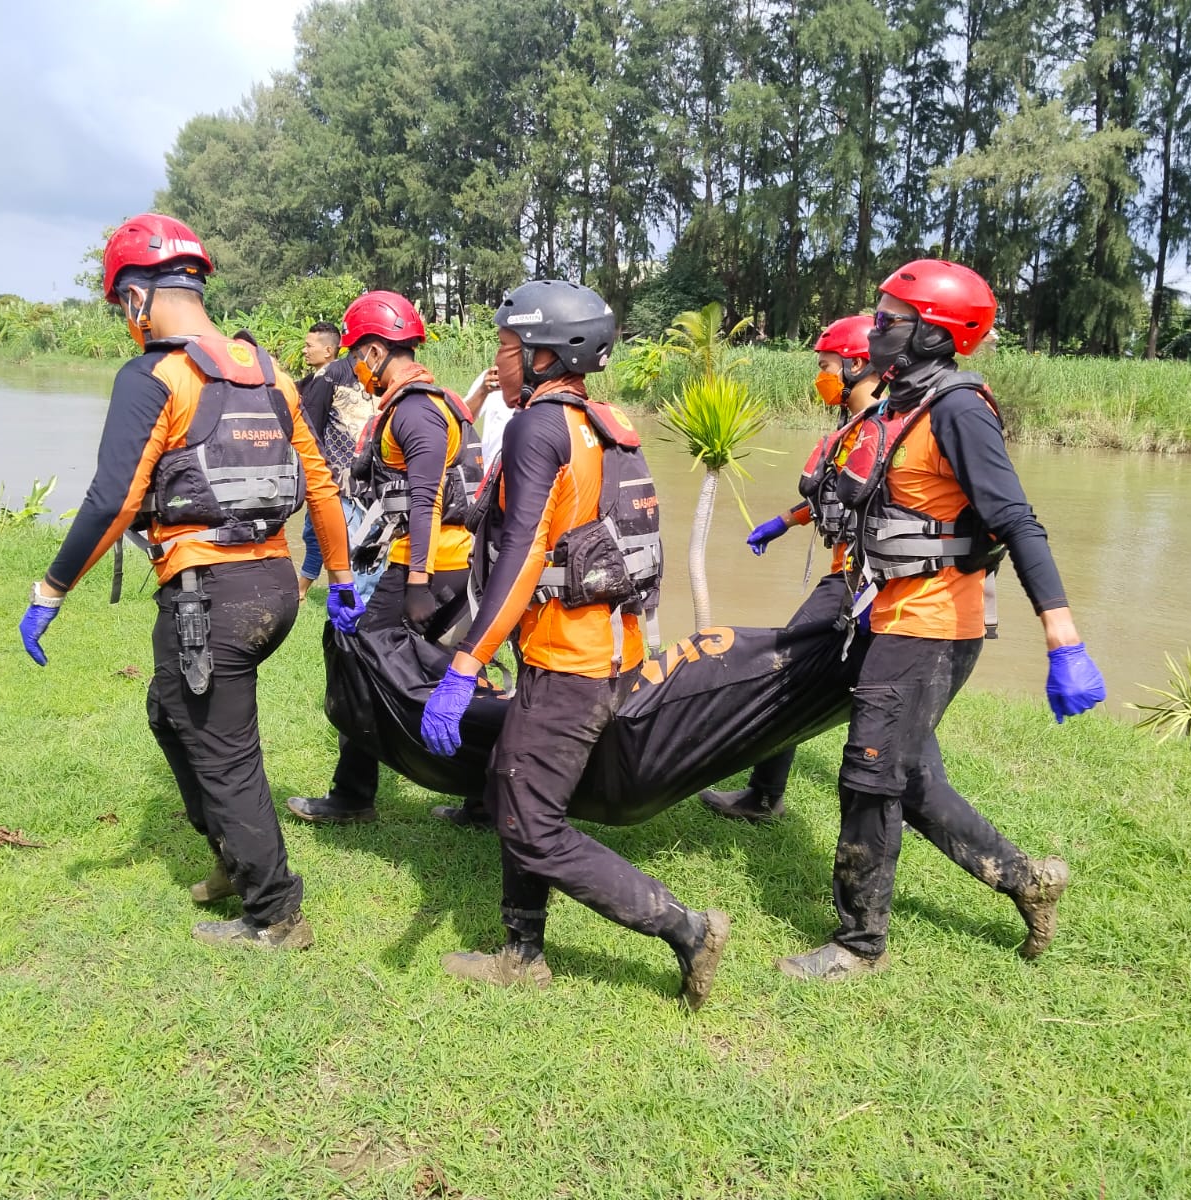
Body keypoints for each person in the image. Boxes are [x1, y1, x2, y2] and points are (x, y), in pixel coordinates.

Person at [16, 213, 363, 951]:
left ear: (139, 298)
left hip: (212, 601)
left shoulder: (154, 376)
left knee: (226, 753)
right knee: (168, 711)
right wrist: (338, 574)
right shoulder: (266, 370)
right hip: (273, 588)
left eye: (121, 307)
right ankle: (235, 858)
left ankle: (275, 912)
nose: (124, 323)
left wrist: (50, 591)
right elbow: (322, 483)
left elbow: (112, 500)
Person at [778, 259, 1105, 981]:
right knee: (913, 782)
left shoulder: (958, 409)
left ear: (933, 333)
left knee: (868, 778)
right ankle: (1027, 879)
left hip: (930, 625)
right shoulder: (899, 401)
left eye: (893, 318)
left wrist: (1063, 634)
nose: (879, 328)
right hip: (884, 612)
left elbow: (1016, 519)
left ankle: (859, 945)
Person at [419, 279, 730, 1009]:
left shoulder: (538, 427)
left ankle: (687, 928)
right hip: (605, 648)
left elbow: (527, 552)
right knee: (515, 783)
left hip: (571, 661)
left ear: (542, 351)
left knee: (530, 824)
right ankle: (522, 951)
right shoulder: (599, 421)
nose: (496, 365)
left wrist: (466, 659)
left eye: (504, 348)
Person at [287, 291, 483, 828]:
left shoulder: (416, 409)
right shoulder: (429, 398)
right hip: (446, 563)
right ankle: (484, 794)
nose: (355, 367)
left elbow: (425, 500)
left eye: (356, 355)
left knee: (360, 658)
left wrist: (417, 584)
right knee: (437, 671)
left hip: (428, 565)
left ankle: (353, 795)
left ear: (373, 352)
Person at [698, 313, 878, 822]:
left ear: (858, 364)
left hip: (860, 582)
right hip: (846, 572)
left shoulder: (882, 431)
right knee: (804, 675)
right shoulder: (853, 431)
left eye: (825, 365)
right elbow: (831, 497)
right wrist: (783, 521)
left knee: (786, 671)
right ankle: (766, 792)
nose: (819, 375)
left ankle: (762, 796)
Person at [295, 320, 373, 599]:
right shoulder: (330, 374)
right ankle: (306, 589)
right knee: (318, 535)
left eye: (308, 345)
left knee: (346, 539)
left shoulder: (338, 374)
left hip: (348, 478)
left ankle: (352, 600)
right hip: (335, 475)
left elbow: (309, 428)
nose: (304, 351)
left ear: (329, 350)